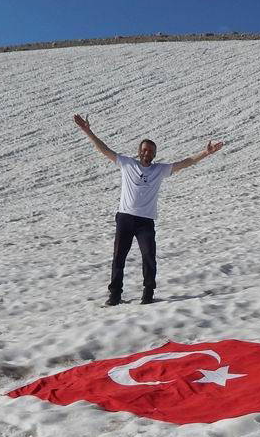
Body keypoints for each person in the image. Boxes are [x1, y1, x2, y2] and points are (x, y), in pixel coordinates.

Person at [73, 114, 224, 306]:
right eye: (144, 150)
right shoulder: (127, 164)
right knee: (119, 257)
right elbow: (104, 149)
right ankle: (115, 295)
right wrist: (87, 131)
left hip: (145, 221)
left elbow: (186, 162)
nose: (147, 153)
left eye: (150, 151)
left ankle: (148, 293)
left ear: (154, 154)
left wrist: (206, 152)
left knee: (148, 256)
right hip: (125, 218)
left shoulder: (159, 170)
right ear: (139, 152)